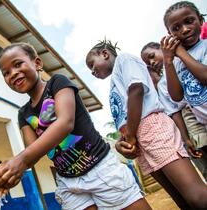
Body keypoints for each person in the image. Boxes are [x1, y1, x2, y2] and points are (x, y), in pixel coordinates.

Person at [0, 42, 152, 210]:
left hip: (100, 168)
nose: (13, 73)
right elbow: (34, 150)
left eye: (18, 64)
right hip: (68, 183)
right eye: (6, 73)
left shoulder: (57, 83)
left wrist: (21, 160)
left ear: (37, 63)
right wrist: (10, 173)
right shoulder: (23, 114)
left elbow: (65, 122)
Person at [86, 39, 207, 210]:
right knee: (181, 200)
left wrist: (130, 136)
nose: (92, 71)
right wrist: (124, 142)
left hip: (152, 128)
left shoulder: (125, 60)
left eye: (92, 65)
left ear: (105, 54)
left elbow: (137, 89)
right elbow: (124, 117)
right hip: (139, 139)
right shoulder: (116, 81)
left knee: (195, 196)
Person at [141, 41, 207, 181]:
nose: (152, 62)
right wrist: (186, 138)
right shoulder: (164, 83)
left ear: (161, 48)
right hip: (189, 120)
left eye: (152, 56)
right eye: (149, 62)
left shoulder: (182, 61)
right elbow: (175, 112)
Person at [161, 1, 207, 125]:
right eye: (176, 28)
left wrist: (181, 53)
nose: (185, 30)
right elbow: (177, 97)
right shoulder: (174, 63)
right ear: (170, 34)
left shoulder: (205, 46)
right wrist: (168, 61)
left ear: (201, 20)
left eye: (189, 21)